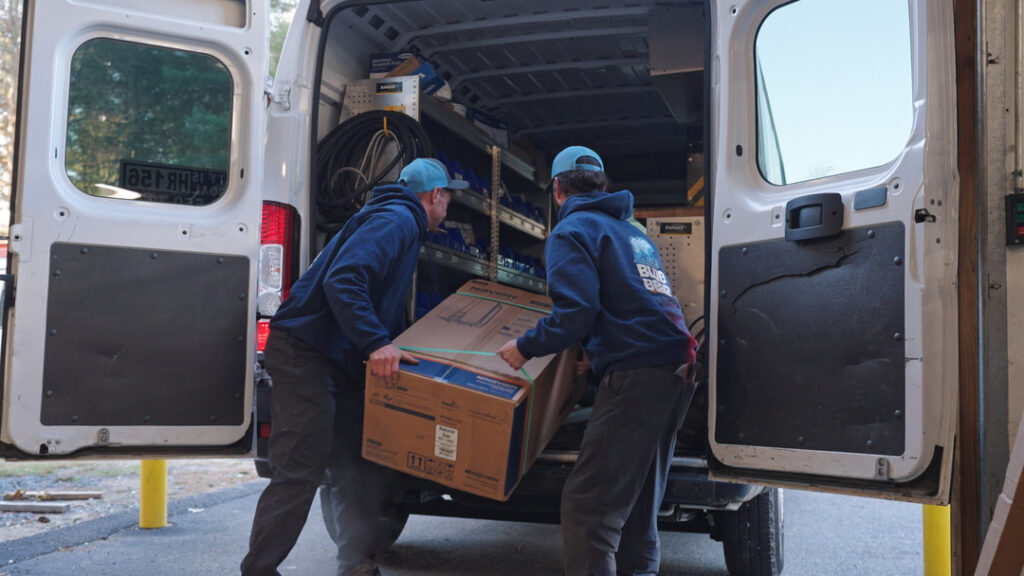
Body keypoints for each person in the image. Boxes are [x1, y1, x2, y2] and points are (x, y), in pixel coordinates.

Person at [241, 158, 466, 576]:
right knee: (300, 468)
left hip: (337, 360)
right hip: (306, 353)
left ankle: (356, 565)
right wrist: (376, 342)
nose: (447, 209)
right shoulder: (398, 219)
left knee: (357, 464)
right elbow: (344, 279)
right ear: (436, 195)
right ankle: (259, 569)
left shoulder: (397, 219)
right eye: (448, 200)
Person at [497, 146, 697, 576]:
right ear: (601, 185)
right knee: (636, 505)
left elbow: (575, 313)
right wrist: (598, 351)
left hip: (638, 375)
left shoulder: (571, 233)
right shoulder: (631, 232)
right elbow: (635, 302)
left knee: (588, 508)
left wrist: (525, 347)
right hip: (673, 369)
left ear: (557, 188)